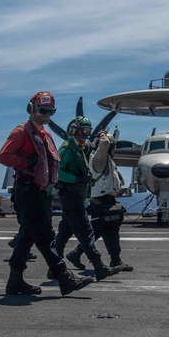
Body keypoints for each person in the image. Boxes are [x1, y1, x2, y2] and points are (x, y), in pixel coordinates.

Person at [0, 92, 93, 296]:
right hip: (28, 190)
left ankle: (15, 280)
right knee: (45, 235)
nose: (46, 115)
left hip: (41, 192)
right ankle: (64, 277)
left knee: (27, 236)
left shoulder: (46, 135)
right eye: (43, 110)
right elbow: (4, 156)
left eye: (51, 111)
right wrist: (26, 162)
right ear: (31, 109)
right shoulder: (22, 132)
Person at [52, 116, 116, 280]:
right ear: (74, 129)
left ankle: (53, 268)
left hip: (75, 195)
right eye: (84, 130)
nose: (86, 133)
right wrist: (77, 179)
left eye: (88, 130)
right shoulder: (67, 148)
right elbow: (57, 171)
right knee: (86, 231)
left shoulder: (79, 147)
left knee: (65, 232)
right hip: (70, 194)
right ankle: (99, 267)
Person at [67, 130, 133, 271]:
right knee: (111, 230)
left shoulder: (107, 160)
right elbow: (103, 145)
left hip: (103, 200)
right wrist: (104, 136)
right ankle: (116, 260)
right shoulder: (99, 158)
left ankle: (76, 253)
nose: (113, 148)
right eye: (112, 145)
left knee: (96, 230)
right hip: (102, 201)